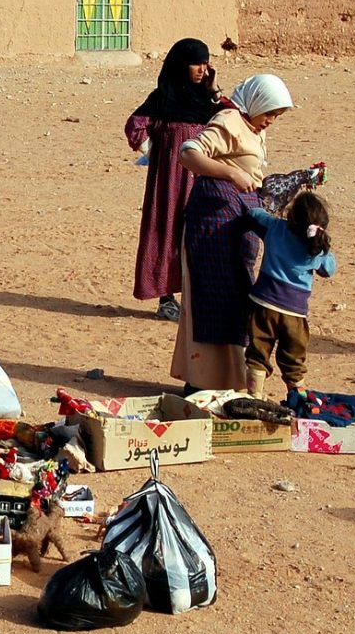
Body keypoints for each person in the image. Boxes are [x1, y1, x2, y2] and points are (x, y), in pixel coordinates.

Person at [170, 73, 293, 393]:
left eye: (275, 117)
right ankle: (201, 382)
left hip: (236, 225)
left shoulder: (251, 127)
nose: (270, 121)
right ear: (257, 103)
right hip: (212, 227)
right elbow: (188, 153)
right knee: (212, 298)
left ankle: (229, 380)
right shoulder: (229, 120)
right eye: (270, 113)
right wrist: (231, 173)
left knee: (237, 299)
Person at [125, 38, 226, 321]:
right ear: (181, 65)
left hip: (203, 180)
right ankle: (166, 298)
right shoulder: (162, 98)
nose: (201, 69)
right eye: (196, 63)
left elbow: (233, 119)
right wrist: (155, 153)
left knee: (201, 233)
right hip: (169, 182)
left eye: (205, 63)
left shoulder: (206, 100)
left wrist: (214, 91)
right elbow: (135, 126)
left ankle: (197, 298)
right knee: (166, 231)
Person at [241, 191, 337, 398]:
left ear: (291, 216)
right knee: (294, 361)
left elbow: (254, 214)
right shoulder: (318, 249)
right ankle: (299, 399)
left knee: (258, 353)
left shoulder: (275, 228)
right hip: (295, 313)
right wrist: (324, 247)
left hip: (263, 305)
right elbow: (328, 270)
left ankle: (254, 397)